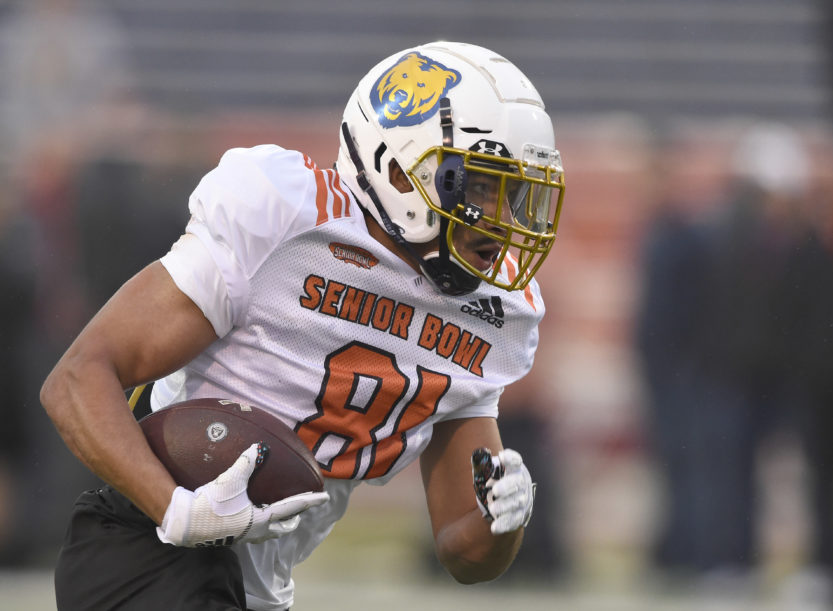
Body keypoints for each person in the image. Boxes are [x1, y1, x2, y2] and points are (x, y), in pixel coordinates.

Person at [41, 41, 564, 611]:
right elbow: (76, 378)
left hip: (258, 587)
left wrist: (504, 516)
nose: (503, 220)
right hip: (148, 546)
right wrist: (176, 508)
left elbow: (463, 551)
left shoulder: (497, 307)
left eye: (515, 193)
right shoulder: (287, 214)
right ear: (398, 168)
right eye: (483, 187)